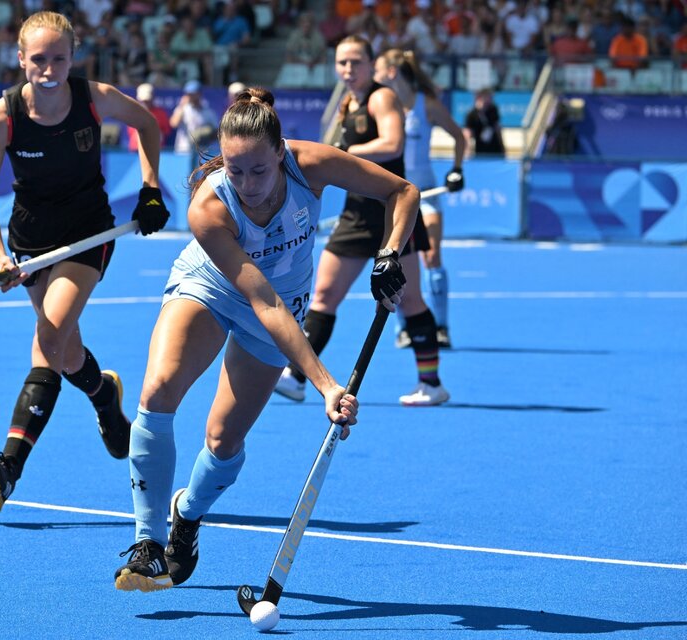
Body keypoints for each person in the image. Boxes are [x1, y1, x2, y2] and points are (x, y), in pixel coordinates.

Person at [113, 86, 419, 592]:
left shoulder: (310, 165)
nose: (248, 184)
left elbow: (402, 192)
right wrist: (325, 385)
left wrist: (389, 252)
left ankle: (186, 515)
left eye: (259, 170)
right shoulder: (208, 209)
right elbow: (263, 302)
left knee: (224, 440)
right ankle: (148, 544)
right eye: (234, 171)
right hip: (212, 286)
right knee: (158, 389)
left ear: (280, 153)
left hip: (284, 297)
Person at [0, 11, 171, 514]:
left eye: (59, 57)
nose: (49, 67)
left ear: (72, 57)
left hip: (90, 233)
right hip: (31, 241)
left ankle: (10, 466)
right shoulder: (4, 116)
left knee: (50, 336)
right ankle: (104, 396)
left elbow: (147, 124)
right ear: (20, 59)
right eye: (38, 58)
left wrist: (149, 186)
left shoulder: (93, 98)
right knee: (65, 352)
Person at [274, 35, 450, 407]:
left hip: (391, 214)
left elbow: (393, 144)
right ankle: (297, 377)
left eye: (356, 62)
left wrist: (344, 154)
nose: (348, 69)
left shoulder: (381, 97)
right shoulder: (346, 102)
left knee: (409, 300)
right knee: (323, 295)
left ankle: (431, 383)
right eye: (342, 63)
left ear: (371, 65)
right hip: (356, 215)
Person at [373, 49, 466, 350]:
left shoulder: (428, 105)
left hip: (426, 193)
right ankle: (403, 327)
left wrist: (457, 169)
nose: (373, 76)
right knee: (395, 259)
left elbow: (459, 136)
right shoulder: (382, 106)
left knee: (432, 255)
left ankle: (441, 326)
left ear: (391, 73)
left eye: (377, 70)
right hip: (397, 195)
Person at [169, 80, 219, 156]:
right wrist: (182, 106)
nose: (190, 96)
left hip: (202, 153)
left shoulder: (208, 112)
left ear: (199, 94)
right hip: (183, 151)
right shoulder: (183, 109)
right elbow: (173, 123)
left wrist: (206, 133)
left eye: (193, 94)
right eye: (188, 94)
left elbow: (217, 132)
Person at [127, 82, 171, 152]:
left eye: (147, 100)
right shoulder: (133, 113)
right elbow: (131, 132)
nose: (145, 102)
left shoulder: (161, 113)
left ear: (152, 98)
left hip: (155, 151)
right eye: (143, 100)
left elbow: (166, 132)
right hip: (135, 151)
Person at [464, 89, 505, 157]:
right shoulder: (471, 114)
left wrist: (503, 148)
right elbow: (468, 134)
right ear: (480, 98)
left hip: (496, 150)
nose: (491, 99)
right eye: (489, 97)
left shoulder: (493, 110)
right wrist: (468, 150)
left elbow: (498, 130)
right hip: (480, 152)